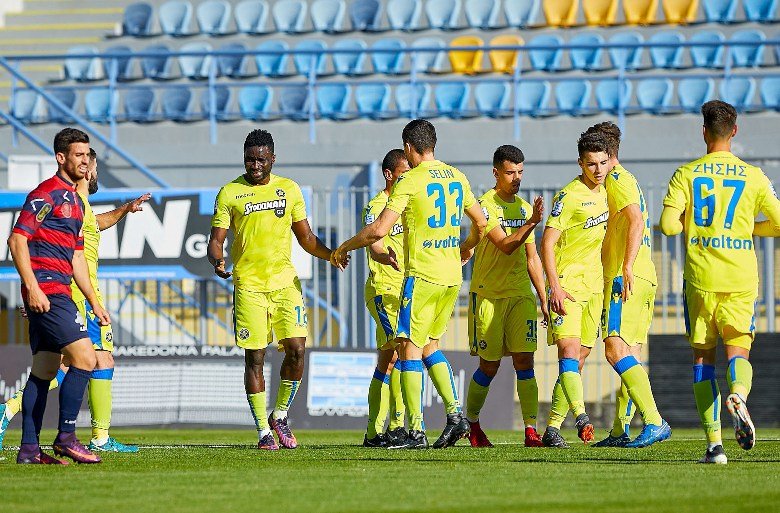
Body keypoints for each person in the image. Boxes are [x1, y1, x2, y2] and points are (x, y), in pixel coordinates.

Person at [333, 119, 488, 449]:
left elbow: (378, 230)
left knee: (407, 349)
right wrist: (466, 247)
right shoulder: (457, 176)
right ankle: (455, 416)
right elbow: (481, 223)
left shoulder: (411, 180)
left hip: (422, 277)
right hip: (451, 277)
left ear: (408, 146)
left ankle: (415, 431)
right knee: (430, 346)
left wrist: (345, 246)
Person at [0, 149, 150, 453]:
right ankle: (96, 437)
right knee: (98, 360)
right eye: (91, 166)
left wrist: (124, 210)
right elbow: (30, 243)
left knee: (67, 364)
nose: (92, 171)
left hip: (72, 294)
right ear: (87, 170)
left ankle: (14, 413)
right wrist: (40, 290)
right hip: (76, 295)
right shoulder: (68, 203)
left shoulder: (81, 207)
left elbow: (96, 224)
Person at [208, 129, 345, 450]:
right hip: (249, 287)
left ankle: (280, 415)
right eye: (249, 160)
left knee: (297, 349)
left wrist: (331, 254)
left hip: (285, 285)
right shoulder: (229, 193)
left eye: (261, 160)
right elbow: (216, 240)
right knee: (255, 358)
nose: (255, 165)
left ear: (272, 159)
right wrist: (217, 260)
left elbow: (306, 238)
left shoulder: (289, 189)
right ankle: (262, 431)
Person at [661, 100, 780, 464]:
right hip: (740, 277)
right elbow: (778, 223)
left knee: (702, 359)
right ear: (735, 131)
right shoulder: (754, 176)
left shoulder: (686, 174)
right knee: (738, 350)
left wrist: (691, 223)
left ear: (704, 132)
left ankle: (715, 447)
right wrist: (750, 229)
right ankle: (739, 395)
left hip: (701, 278)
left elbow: (669, 227)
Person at [8, 128, 110, 464]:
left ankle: (29, 449)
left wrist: (93, 301)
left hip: (59, 289)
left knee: (45, 368)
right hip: (48, 290)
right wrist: (33, 287)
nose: (85, 161)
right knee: (86, 358)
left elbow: (77, 257)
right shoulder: (46, 194)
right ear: (61, 157)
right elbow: (17, 240)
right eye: (78, 155)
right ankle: (66, 437)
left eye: (87, 155)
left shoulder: (77, 203)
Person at [586, 122, 671, 448]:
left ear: (607, 153)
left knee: (614, 349)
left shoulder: (617, 180)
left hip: (627, 276)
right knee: (629, 354)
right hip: (644, 275)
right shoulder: (628, 179)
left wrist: (626, 266)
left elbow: (636, 219)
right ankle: (620, 429)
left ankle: (654, 421)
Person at [460, 145, 547, 448]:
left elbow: (532, 257)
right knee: (490, 366)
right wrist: (532, 222)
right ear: (496, 172)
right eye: (511, 172)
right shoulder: (485, 206)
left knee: (525, 361)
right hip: (489, 296)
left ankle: (531, 430)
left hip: (520, 294)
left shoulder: (523, 208)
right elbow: (506, 246)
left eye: (520, 172)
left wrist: (544, 297)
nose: (517, 178)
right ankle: (472, 423)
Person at [540, 131, 610, 448]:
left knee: (578, 360)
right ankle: (582, 418)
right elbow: (547, 243)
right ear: (580, 163)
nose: (598, 169)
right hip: (567, 286)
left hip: (594, 287)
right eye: (591, 164)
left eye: (602, 163)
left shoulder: (609, 191)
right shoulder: (568, 196)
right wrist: (554, 287)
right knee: (568, 353)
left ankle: (553, 428)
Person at [363, 149, 409, 448]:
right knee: (403, 353)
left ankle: (373, 432)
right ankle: (397, 427)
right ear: (389, 174)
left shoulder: (409, 204)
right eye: (404, 174)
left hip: (407, 289)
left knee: (388, 359)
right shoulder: (377, 206)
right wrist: (384, 256)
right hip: (384, 289)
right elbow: (374, 244)